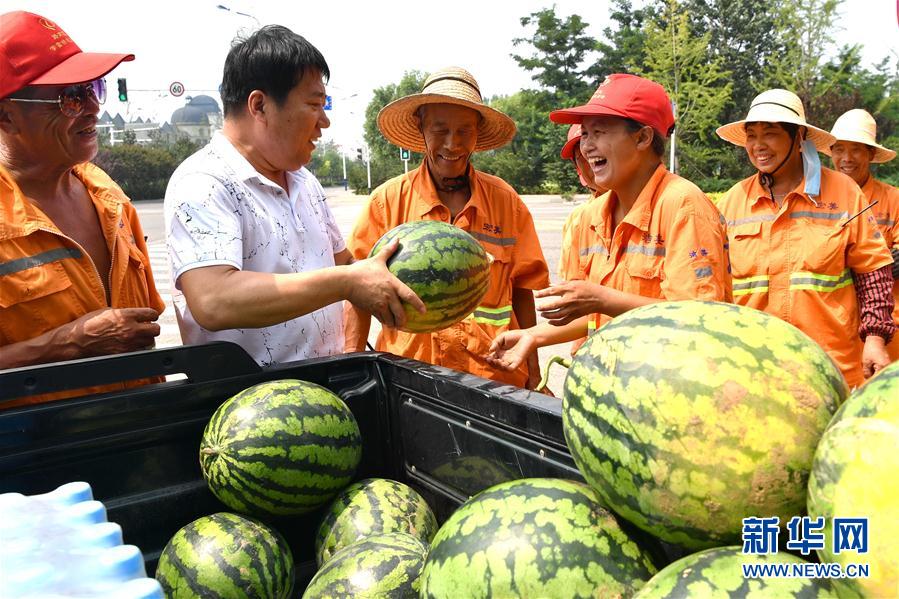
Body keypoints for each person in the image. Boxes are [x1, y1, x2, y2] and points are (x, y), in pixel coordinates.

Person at [165, 26, 423, 366]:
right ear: (259, 106)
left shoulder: (305, 183)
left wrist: (398, 277)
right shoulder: (204, 182)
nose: (325, 122)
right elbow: (214, 299)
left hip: (321, 394)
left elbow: (343, 264)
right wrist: (346, 281)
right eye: (314, 104)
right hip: (249, 408)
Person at [487, 74, 732, 373]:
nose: (587, 146)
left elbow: (697, 318)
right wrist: (534, 335)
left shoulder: (684, 206)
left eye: (599, 132)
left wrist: (601, 298)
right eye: (585, 134)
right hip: (607, 383)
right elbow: (591, 315)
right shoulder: (591, 217)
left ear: (642, 137)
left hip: (666, 389)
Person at [344, 67, 550, 389]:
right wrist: (352, 364)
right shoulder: (387, 202)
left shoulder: (507, 203)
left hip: (494, 379)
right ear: (421, 127)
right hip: (411, 379)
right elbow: (355, 291)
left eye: (464, 131)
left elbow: (523, 290)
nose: (452, 144)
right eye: (439, 130)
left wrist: (533, 373)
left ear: (478, 134)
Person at [0, 11, 164, 406]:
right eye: (70, 97)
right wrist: (65, 344)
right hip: (38, 455)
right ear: (6, 116)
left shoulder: (109, 196)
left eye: (94, 88)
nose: (93, 107)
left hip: (144, 432)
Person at [715, 90, 895, 387]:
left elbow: (873, 272)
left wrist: (875, 338)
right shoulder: (733, 201)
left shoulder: (844, 192)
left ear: (799, 137)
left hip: (831, 366)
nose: (758, 145)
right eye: (752, 135)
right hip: (754, 366)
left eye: (770, 133)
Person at [823, 108, 899, 363]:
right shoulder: (816, 199)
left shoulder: (893, 199)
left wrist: (848, 262)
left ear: (871, 153)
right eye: (839, 149)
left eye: (856, 149)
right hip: (834, 325)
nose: (846, 158)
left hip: (887, 328)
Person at [557, 124, 608, 355]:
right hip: (590, 355)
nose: (591, 162)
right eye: (581, 157)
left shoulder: (673, 205)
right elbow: (572, 300)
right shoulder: (578, 220)